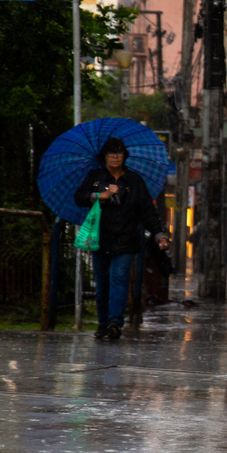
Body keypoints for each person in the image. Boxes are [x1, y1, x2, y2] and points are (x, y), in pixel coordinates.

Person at [74, 137, 170, 340]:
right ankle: (103, 324)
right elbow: (79, 197)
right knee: (102, 283)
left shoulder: (134, 181)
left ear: (125, 155)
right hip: (100, 238)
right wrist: (101, 195)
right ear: (104, 156)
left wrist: (159, 234)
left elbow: (147, 210)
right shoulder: (96, 177)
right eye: (111, 153)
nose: (115, 156)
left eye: (119, 152)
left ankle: (115, 323)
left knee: (119, 278)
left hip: (127, 239)